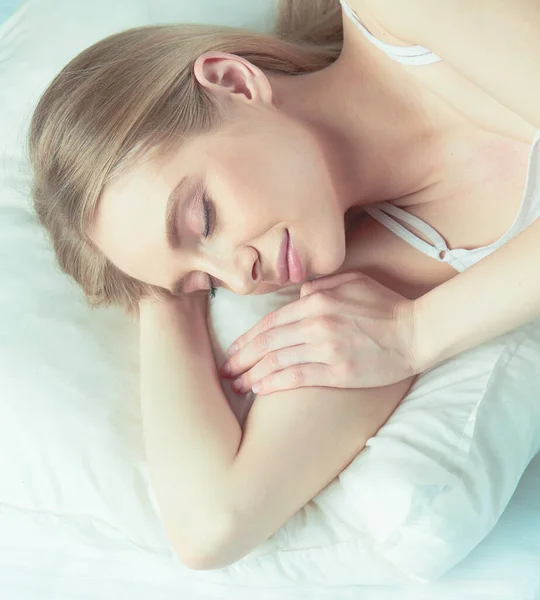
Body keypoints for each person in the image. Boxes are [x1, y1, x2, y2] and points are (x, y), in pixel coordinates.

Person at [26, 0, 540, 571]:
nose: (238, 277)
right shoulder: (372, 286)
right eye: (207, 279)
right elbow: (212, 525)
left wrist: (416, 335)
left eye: (203, 218)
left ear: (234, 82)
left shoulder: (402, 11)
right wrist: (162, 295)